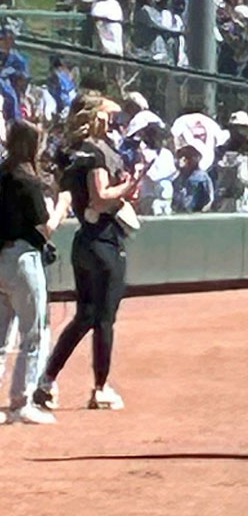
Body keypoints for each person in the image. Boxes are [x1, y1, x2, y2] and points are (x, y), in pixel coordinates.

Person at [33, 93, 140, 412]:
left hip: (85, 242)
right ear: (95, 117)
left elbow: (76, 197)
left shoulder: (71, 153)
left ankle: (47, 381)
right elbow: (100, 197)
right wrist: (128, 188)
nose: (112, 121)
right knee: (104, 318)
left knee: (85, 316)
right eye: (108, 115)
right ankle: (101, 388)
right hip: (104, 241)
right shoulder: (94, 153)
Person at [0, 120, 67, 424]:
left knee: (1, 337)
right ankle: (21, 403)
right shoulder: (28, 181)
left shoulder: (2, 173)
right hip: (23, 258)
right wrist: (63, 206)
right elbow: (46, 230)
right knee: (34, 333)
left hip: (0, 256)